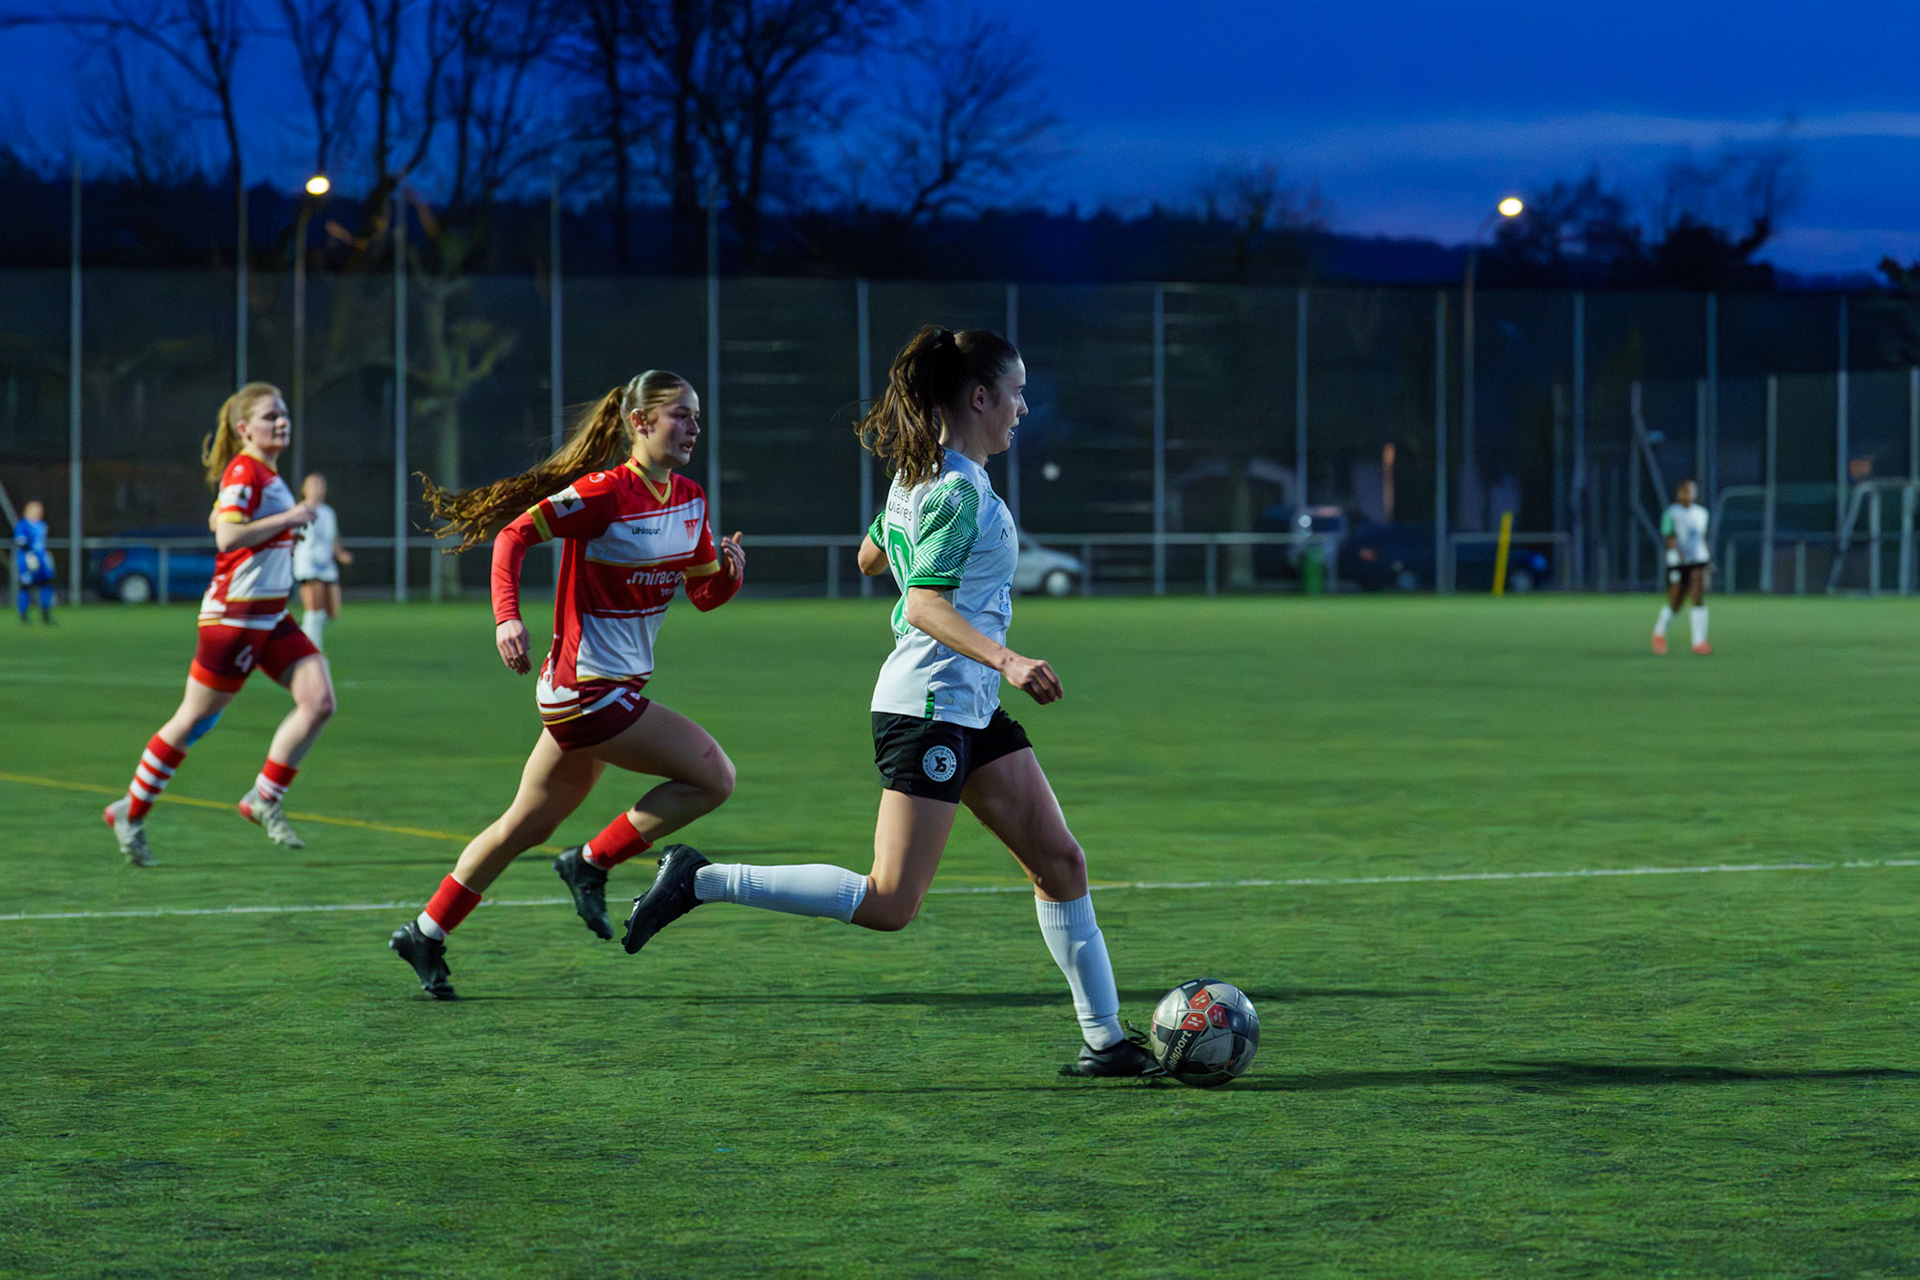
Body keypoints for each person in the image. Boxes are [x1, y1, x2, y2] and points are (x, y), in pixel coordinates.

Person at [619, 326, 1161, 1080]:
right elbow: (926, 603)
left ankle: (1105, 1043)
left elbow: (870, 558)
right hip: (930, 707)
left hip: (966, 707)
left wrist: (906, 528)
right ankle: (700, 878)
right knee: (889, 901)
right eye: (1016, 393)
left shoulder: (924, 477)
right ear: (980, 397)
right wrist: (1008, 658)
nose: (1023, 408)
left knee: (1061, 862)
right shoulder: (955, 491)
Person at [387, 370, 746, 1000]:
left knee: (522, 825)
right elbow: (513, 536)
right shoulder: (604, 493)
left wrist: (732, 575)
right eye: (680, 415)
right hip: (586, 694)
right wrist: (506, 618)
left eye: (696, 415)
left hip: (607, 695)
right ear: (640, 423)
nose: (694, 427)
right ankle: (589, 862)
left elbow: (704, 594)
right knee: (714, 777)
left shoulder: (691, 499)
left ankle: (425, 931)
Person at [103, 383, 338, 867]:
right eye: (270, 416)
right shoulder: (245, 469)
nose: (281, 421)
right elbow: (228, 535)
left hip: (270, 616)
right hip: (235, 618)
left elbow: (223, 518)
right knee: (194, 720)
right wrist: (291, 517)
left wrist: (284, 527)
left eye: (284, 413)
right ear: (244, 428)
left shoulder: (262, 472)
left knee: (319, 701)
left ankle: (264, 797)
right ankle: (130, 810)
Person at [292, 473, 353, 649]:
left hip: (326, 564)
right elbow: (291, 537)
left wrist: (340, 554)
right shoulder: (299, 510)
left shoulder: (328, 512)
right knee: (315, 611)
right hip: (308, 563)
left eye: (320, 485)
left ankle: (301, 635)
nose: (317, 489)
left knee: (332, 612)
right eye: (313, 485)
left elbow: (333, 538)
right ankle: (312, 650)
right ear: (304, 489)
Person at [1653, 478, 1711, 656]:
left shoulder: (1701, 513)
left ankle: (1699, 641)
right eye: (1685, 491)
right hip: (1678, 562)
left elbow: (1702, 538)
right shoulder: (1671, 513)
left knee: (1697, 595)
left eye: (1691, 491)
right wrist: (1679, 553)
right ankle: (1659, 632)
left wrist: (1707, 560)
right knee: (1676, 601)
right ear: (1679, 494)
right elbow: (1668, 536)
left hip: (1697, 560)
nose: (1688, 494)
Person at [14, 499, 54, 623]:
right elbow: (20, 541)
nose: (38, 512)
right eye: (35, 509)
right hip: (27, 559)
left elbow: (41, 543)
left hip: (41, 559)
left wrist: (46, 556)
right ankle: (23, 614)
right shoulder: (23, 525)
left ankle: (45, 613)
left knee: (46, 584)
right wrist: (30, 555)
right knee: (25, 585)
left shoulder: (42, 524)